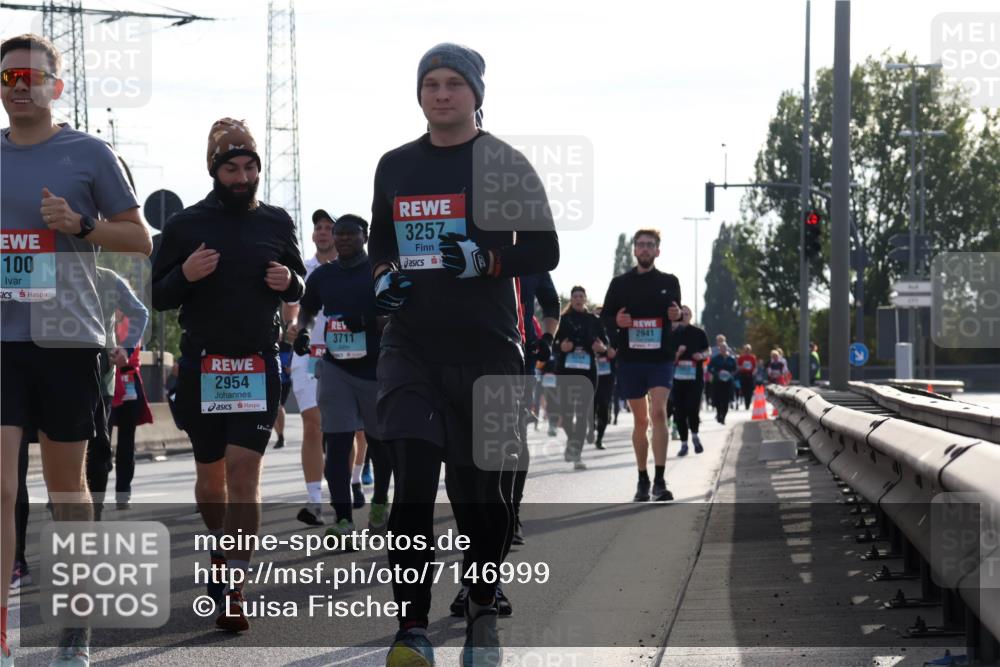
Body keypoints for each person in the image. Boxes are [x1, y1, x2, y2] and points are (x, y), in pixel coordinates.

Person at [369, 42, 559, 666]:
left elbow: (544, 251)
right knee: (415, 487)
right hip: (412, 348)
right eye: (431, 83)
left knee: (484, 497)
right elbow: (380, 250)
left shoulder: (502, 163)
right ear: (419, 94)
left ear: (477, 93)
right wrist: (384, 280)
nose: (442, 94)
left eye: (454, 83)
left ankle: (480, 596)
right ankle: (413, 626)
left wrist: (489, 260)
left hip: (487, 349)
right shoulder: (394, 166)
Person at [1, 33, 152, 667]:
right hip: (3, 340)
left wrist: (82, 225)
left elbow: (141, 239)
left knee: (68, 487)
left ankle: (77, 622)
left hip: (68, 338)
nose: (20, 87)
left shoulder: (89, 153)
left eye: (32, 77)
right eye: (8, 78)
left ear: (56, 87)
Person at [151, 117, 305, 633]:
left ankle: (233, 581)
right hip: (204, 365)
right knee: (210, 478)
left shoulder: (277, 222)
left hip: (257, 364)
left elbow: (298, 281)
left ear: (259, 169)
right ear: (215, 171)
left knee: (245, 474)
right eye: (231, 168)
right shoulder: (185, 226)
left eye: (249, 167)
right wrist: (184, 275)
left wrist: (290, 281)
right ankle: (222, 547)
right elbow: (159, 295)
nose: (242, 177)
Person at [292, 214, 392, 537]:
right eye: (340, 234)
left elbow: (396, 313)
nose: (344, 238)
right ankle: (344, 519)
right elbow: (307, 309)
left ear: (364, 236)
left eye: (351, 233)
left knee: (379, 443)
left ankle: (379, 501)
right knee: (335, 442)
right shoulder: (323, 276)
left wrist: (366, 321)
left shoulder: (377, 270)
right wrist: (304, 332)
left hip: (375, 369)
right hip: (335, 368)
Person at [600, 229, 681, 503]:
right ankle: (642, 477)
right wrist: (617, 323)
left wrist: (677, 314)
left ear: (658, 251)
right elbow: (606, 318)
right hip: (631, 359)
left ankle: (660, 479)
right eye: (641, 245)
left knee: (658, 413)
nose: (645, 249)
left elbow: (676, 312)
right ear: (635, 250)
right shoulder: (620, 284)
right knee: (641, 419)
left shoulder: (670, 281)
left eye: (650, 245)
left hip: (660, 358)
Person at [282, 209, 337, 525]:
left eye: (329, 227)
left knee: (353, 432)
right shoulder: (302, 270)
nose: (323, 232)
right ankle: (314, 500)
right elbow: (291, 309)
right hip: (309, 356)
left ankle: (352, 480)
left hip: (346, 356)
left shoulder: (352, 269)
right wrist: (291, 326)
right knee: (312, 424)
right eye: (318, 227)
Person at [511, 272, 559, 546]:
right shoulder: (476, 239)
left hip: (520, 356)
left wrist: (548, 339)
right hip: (472, 355)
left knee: (516, 435)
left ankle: (512, 513)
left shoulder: (532, 253)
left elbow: (551, 303)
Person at [553, 286, 606, 469]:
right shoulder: (563, 320)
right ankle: (573, 440)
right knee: (567, 415)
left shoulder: (593, 320)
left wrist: (601, 347)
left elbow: (604, 343)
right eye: (575, 296)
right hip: (566, 372)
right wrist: (561, 347)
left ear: (585, 299)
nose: (578, 299)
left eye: (581, 296)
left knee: (583, 414)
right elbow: (553, 344)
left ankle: (576, 454)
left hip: (588, 372)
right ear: (571, 299)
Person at [670, 306, 709, 456]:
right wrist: (678, 353)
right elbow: (668, 359)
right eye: (682, 313)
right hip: (677, 379)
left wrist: (702, 355)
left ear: (691, 316)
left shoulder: (699, 333)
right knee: (679, 412)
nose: (685, 316)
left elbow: (708, 351)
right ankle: (684, 444)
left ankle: (695, 436)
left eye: (687, 314)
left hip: (695, 378)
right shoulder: (673, 334)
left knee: (693, 408)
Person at [591, 306, 616, 450]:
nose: (599, 318)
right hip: (589, 373)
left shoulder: (611, 332)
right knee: (591, 404)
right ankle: (591, 426)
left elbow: (616, 350)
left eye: (602, 315)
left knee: (604, 405)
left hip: (607, 375)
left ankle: (600, 437)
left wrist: (610, 350)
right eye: (596, 315)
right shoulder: (588, 330)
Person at [273, 323, 294, 449]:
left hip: (285, 382)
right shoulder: (267, 347)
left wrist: (290, 368)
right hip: (272, 381)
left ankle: (281, 435)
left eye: (279, 333)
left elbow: (294, 361)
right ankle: (279, 435)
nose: (278, 336)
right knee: (274, 409)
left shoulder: (287, 347)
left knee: (279, 407)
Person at [708, 343, 737, 424]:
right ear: (719, 349)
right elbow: (709, 368)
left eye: (724, 348)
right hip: (717, 382)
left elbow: (735, 369)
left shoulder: (731, 359)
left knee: (726, 400)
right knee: (718, 400)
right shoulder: (715, 358)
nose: (723, 349)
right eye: (721, 348)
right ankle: (718, 413)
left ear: (727, 349)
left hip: (728, 382)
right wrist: (716, 373)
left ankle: (723, 417)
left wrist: (730, 374)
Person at [736, 344, 757, 410]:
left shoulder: (752, 357)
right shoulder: (741, 358)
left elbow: (755, 367)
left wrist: (754, 372)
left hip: (750, 375)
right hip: (743, 374)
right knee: (744, 389)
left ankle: (748, 402)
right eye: (746, 350)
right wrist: (741, 367)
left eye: (748, 350)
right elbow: (738, 366)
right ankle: (745, 401)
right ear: (744, 350)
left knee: (750, 390)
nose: (747, 351)